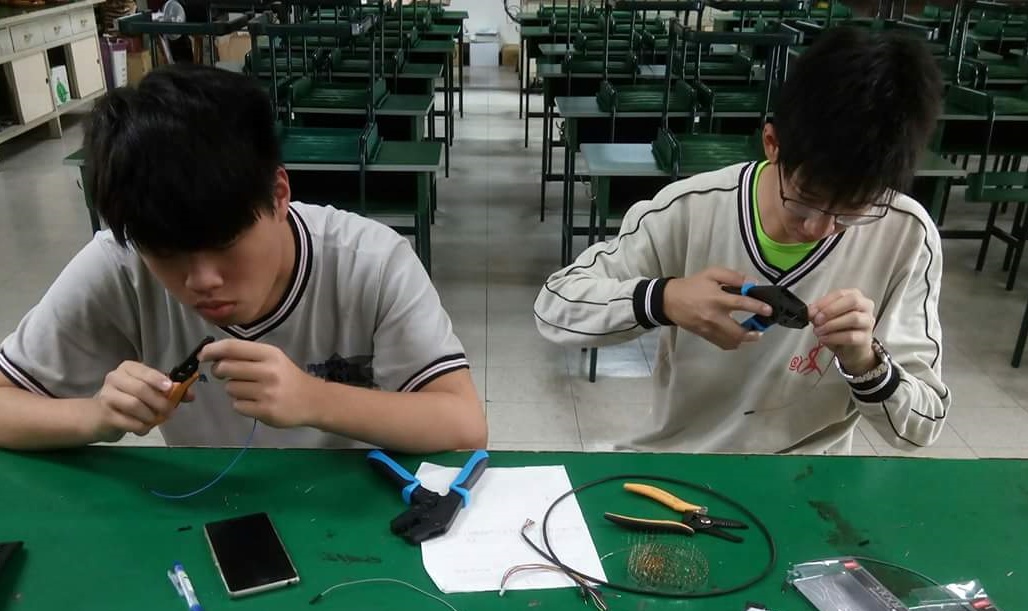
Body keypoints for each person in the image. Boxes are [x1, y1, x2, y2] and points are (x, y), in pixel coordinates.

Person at [0, 64, 487, 453]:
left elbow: (463, 425)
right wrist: (96, 415)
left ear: (279, 194)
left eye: (225, 243)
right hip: (206, 513)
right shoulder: (119, 264)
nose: (201, 281)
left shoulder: (371, 263)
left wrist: (315, 399)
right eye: (167, 254)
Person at [533, 26, 950, 454]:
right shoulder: (691, 209)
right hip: (685, 458)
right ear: (772, 143)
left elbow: (922, 427)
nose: (818, 229)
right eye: (805, 200)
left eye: (851, 211)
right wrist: (663, 299)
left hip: (807, 473)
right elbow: (554, 307)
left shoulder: (904, 234)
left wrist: (867, 364)